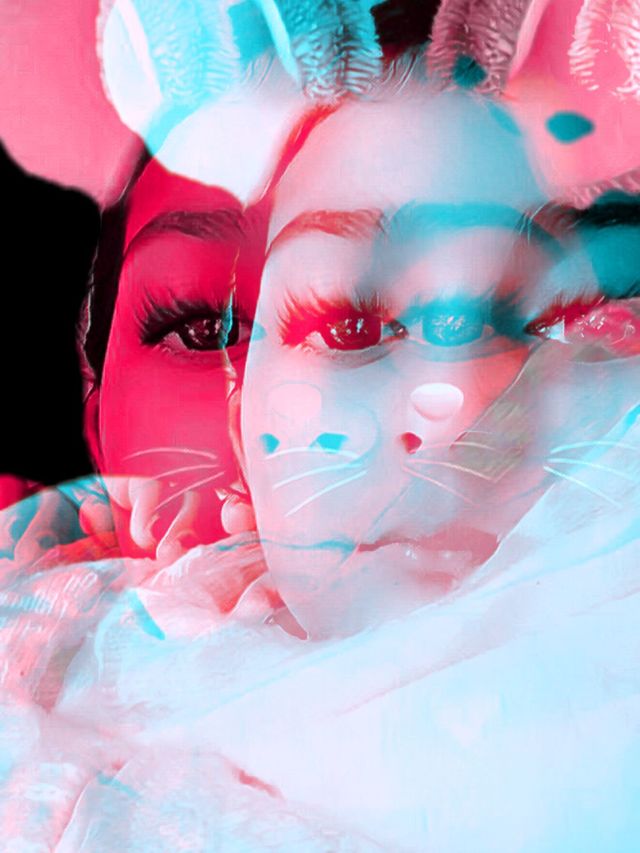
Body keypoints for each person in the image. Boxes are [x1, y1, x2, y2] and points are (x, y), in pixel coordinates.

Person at [1, 1, 639, 849]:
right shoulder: (67, 680)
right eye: (349, 326)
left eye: (563, 318)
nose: (455, 406)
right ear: (245, 424)